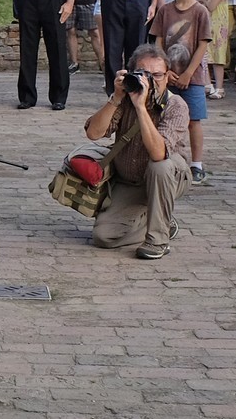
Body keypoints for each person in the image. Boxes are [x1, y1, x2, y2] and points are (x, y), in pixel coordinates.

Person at [81, 44, 191, 259]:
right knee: (104, 237)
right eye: (144, 74)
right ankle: (161, 221)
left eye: (157, 75)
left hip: (169, 177)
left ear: (168, 76)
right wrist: (116, 97)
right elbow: (94, 133)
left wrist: (141, 108)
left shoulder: (175, 105)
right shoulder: (125, 99)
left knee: (160, 166)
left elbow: (159, 153)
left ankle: (158, 240)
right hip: (130, 181)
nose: (151, 81)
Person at [150, 0, 211, 182]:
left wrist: (188, 74)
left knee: (194, 120)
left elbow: (202, 45)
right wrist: (164, 70)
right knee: (161, 116)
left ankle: (197, 163)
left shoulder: (200, 12)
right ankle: (165, 155)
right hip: (167, 77)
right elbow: (158, 42)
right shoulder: (165, 11)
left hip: (192, 77)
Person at [200, 0, 232, 98]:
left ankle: (219, 87)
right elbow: (201, 0)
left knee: (218, 55)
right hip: (208, 22)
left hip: (218, 24)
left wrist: (204, 0)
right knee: (205, 54)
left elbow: (211, 6)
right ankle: (208, 84)